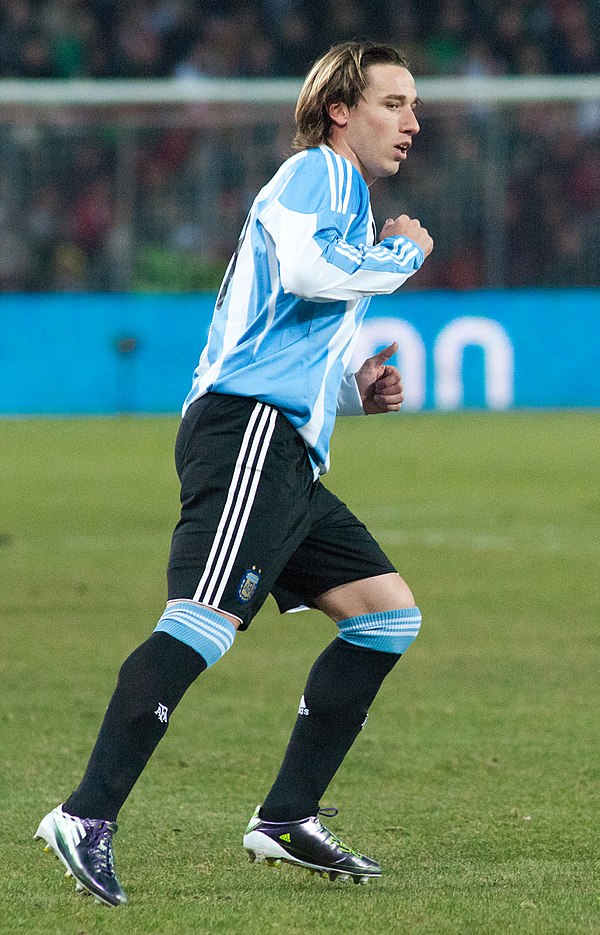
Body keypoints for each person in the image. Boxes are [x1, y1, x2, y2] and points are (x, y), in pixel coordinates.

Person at [35, 39, 433, 906]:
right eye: (394, 103)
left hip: (280, 440)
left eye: (412, 105)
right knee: (202, 623)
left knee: (384, 617)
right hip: (249, 433)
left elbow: (281, 323)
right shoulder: (318, 176)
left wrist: (353, 388)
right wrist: (401, 256)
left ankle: (287, 817)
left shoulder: (342, 199)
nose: (413, 121)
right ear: (340, 109)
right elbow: (304, 271)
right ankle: (85, 813)